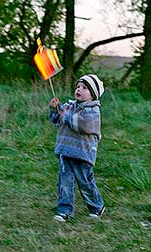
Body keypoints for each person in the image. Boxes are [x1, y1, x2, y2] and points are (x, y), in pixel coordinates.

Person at [49, 74, 105, 222]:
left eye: (84, 88)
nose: (79, 89)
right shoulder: (68, 106)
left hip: (83, 153)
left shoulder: (93, 111)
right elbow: (56, 121)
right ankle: (64, 211)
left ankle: (97, 206)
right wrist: (55, 110)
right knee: (64, 183)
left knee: (85, 182)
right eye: (78, 86)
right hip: (66, 151)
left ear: (93, 95)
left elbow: (81, 124)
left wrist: (64, 115)